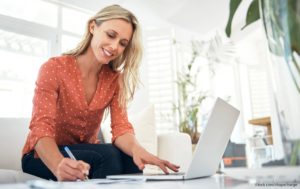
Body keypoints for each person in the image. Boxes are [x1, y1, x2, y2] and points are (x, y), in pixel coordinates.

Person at [21, 4, 179, 181]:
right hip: (42, 156)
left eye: (122, 43)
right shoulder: (54, 69)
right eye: (110, 35)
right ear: (93, 27)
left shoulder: (114, 80)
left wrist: (139, 151)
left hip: (85, 150)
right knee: (105, 156)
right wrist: (58, 164)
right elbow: (40, 128)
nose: (114, 46)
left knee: (131, 160)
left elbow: (121, 128)